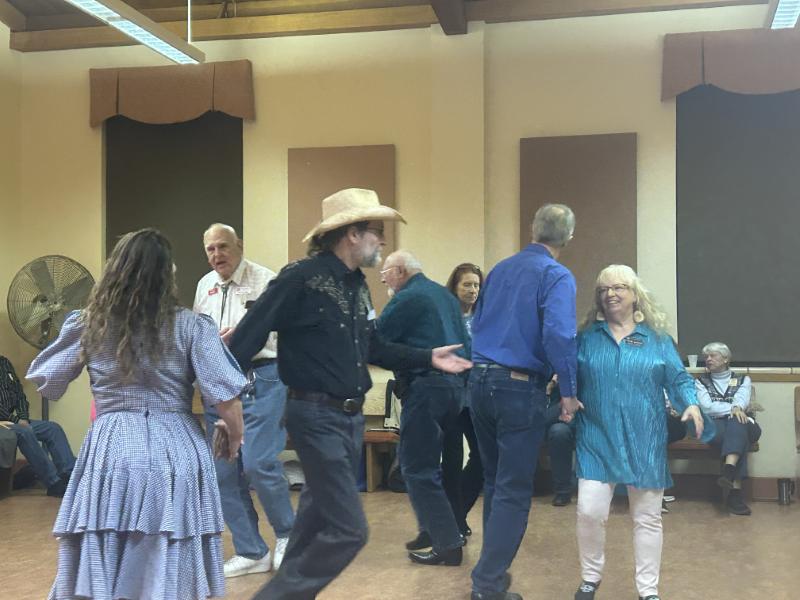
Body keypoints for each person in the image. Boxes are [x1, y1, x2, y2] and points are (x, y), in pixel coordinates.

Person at [228, 188, 472, 600]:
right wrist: (226, 406)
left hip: (348, 420)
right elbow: (244, 340)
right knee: (349, 530)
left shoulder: (358, 285)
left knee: (311, 523)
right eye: (376, 230)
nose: (383, 240)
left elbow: (374, 348)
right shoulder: (299, 278)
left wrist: (428, 357)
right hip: (314, 416)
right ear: (352, 234)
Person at [26, 228, 246, 599]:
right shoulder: (192, 326)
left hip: (112, 446)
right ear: (167, 274)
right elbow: (226, 400)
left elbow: (49, 379)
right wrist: (234, 435)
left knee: (108, 534)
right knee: (171, 540)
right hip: (177, 447)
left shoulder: (88, 323)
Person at [573, 264, 711, 600]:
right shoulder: (586, 339)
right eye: (604, 289)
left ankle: (648, 590)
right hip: (596, 436)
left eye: (619, 287)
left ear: (635, 295)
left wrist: (691, 404)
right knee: (589, 511)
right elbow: (567, 376)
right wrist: (563, 394)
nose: (611, 294)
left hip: (645, 439)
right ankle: (590, 577)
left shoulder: (657, 340)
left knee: (647, 518)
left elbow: (678, 378)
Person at [468, 203, 581, 600]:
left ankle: (492, 578)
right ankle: (487, 584)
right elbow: (560, 335)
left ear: (533, 229)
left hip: (478, 381)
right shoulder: (556, 275)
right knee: (514, 489)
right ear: (569, 237)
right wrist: (569, 392)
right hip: (518, 388)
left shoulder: (499, 269)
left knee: (494, 481)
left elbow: (477, 323)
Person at [194, 223, 295, 576]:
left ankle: (288, 535)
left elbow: (283, 333)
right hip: (218, 384)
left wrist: (244, 334)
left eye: (223, 246)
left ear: (239, 245)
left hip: (261, 376)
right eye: (210, 249)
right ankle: (252, 551)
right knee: (223, 473)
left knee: (258, 462)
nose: (217, 255)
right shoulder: (204, 285)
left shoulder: (266, 279)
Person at [378, 250, 470, 566]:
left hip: (425, 389)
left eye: (386, 274)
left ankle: (447, 544)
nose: (383, 281)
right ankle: (430, 531)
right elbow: (466, 345)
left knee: (417, 468)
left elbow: (376, 341)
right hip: (453, 391)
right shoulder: (445, 297)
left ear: (400, 271)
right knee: (432, 466)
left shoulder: (407, 297)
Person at [440, 263, 484, 537]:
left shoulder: (484, 318)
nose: (472, 290)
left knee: (482, 458)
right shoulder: (444, 318)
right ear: (455, 287)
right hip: (450, 395)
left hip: (477, 397)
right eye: (467, 284)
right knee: (452, 461)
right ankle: (453, 523)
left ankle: (457, 514)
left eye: (477, 285)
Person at [695, 342, 759, 516]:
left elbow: (742, 401)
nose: (708, 359)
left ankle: (728, 471)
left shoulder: (743, 379)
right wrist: (733, 409)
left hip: (745, 424)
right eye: (706, 357)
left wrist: (737, 409)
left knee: (738, 422)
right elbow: (707, 408)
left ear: (725, 359)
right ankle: (734, 493)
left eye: (713, 355)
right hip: (717, 426)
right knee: (738, 434)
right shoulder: (700, 382)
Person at [0, 355, 75, 497]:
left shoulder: (4, 363)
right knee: (24, 431)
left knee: (52, 429)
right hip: (5, 422)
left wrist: (23, 416)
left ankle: (70, 476)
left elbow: (19, 393)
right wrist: (16, 420)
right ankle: (53, 483)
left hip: (12, 421)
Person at [544, 374, 577, 506]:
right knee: (559, 432)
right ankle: (562, 491)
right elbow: (541, 417)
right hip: (558, 419)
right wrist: (560, 407)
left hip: (587, 417)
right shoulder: (553, 374)